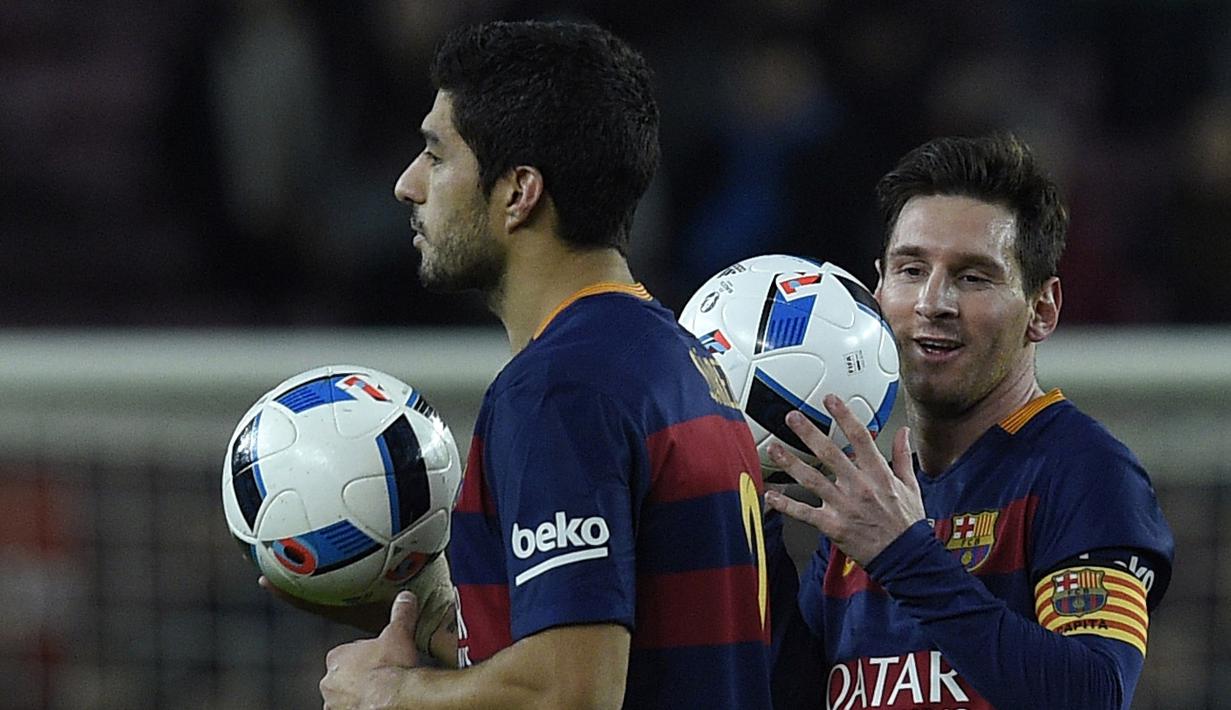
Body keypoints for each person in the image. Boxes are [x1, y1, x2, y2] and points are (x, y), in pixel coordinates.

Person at [313, 20, 773, 709]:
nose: (408, 185)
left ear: (518, 192)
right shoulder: (680, 360)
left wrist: (389, 695)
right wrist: (420, 613)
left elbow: (570, 690)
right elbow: (640, 648)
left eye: (436, 156)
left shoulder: (560, 390)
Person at [764, 134, 1175, 709]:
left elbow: (1094, 694)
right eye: (911, 270)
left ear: (1042, 310)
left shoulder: (1084, 471)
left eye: (973, 277)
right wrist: (754, 529)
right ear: (877, 290)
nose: (933, 302)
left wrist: (905, 557)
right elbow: (797, 695)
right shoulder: (875, 492)